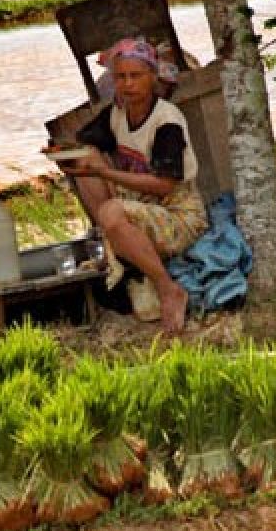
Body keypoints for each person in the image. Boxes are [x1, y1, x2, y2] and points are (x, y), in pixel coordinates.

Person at [63, 38, 207, 333]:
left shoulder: (166, 121)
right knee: (85, 158)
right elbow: (84, 145)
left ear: (153, 77)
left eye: (136, 76)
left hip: (178, 217)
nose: (128, 84)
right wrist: (64, 154)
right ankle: (122, 248)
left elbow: (165, 186)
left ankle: (168, 289)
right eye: (120, 77)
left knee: (111, 211)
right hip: (141, 208)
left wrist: (106, 174)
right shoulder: (117, 113)